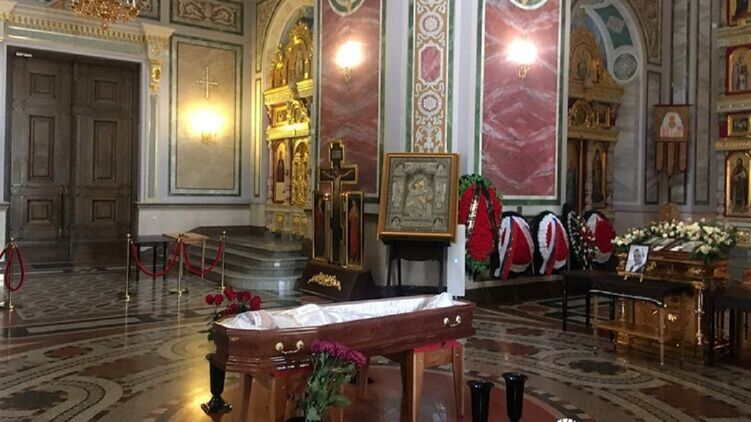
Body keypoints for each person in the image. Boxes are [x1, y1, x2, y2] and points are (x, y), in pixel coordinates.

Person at [347, 198, 360, 264]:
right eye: (352, 202)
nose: (353, 203)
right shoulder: (351, 209)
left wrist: (356, 216)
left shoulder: (357, 209)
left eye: (354, 202)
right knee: (352, 242)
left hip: (356, 228)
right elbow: (349, 217)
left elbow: (359, 218)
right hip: (352, 228)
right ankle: (352, 257)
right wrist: (352, 215)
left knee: (356, 242)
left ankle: (356, 257)